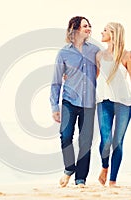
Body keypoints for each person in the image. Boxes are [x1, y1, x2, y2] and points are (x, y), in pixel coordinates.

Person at [50, 16, 100, 187]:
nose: (89, 28)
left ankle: (81, 180)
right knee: (65, 137)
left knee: (85, 142)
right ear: (76, 29)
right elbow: (56, 81)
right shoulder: (63, 53)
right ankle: (69, 168)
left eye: (89, 26)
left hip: (88, 103)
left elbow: (108, 63)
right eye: (85, 26)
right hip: (69, 101)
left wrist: (129, 58)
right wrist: (54, 106)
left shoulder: (94, 50)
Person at [95, 22, 131, 187]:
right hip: (104, 103)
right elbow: (92, 78)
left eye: (105, 30)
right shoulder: (99, 55)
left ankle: (113, 181)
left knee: (118, 142)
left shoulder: (126, 55)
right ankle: (104, 167)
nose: (102, 32)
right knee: (106, 140)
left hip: (124, 103)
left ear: (113, 34)